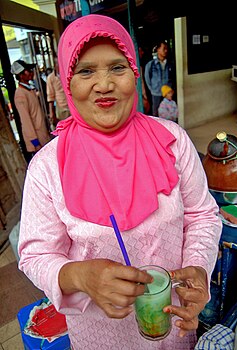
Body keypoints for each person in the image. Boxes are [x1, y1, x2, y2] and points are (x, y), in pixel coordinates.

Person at [18, 14, 222, 350]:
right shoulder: (47, 168)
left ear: (134, 73)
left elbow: (202, 215)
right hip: (100, 336)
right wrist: (79, 275)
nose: (104, 84)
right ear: (68, 82)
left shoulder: (172, 140)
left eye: (117, 67)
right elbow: (35, 254)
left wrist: (198, 268)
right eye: (85, 71)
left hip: (174, 323)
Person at [10, 59, 51, 163]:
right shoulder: (20, 95)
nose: (31, 72)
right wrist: (35, 142)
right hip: (37, 140)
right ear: (21, 75)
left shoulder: (29, 90)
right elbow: (26, 120)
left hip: (42, 134)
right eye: (28, 70)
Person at [145, 40, 174, 117]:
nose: (166, 50)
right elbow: (147, 78)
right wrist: (152, 89)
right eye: (164, 48)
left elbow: (173, 78)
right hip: (156, 93)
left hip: (168, 93)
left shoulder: (170, 64)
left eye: (167, 49)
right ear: (158, 49)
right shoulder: (151, 64)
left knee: (169, 113)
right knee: (156, 114)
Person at [46, 56, 70, 128]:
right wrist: (52, 113)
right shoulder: (51, 78)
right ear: (56, 65)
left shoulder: (68, 74)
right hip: (61, 109)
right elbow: (51, 97)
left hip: (73, 107)